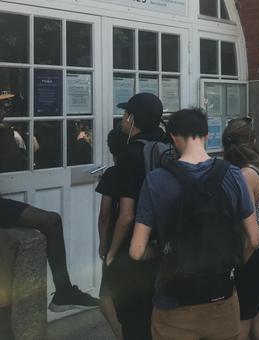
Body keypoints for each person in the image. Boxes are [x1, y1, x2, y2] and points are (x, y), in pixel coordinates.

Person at [130, 108, 259, 340]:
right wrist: (229, 266)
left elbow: (136, 251)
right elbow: (254, 239)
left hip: (174, 303)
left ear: (173, 137)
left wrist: (165, 250)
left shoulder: (156, 181)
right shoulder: (233, 175)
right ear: (207, 136)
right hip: (223, 299)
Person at [104, 92, 169, 339]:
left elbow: (126, 215)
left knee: (132, 319)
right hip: (161, 240)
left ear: (131, 118)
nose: (122, 119)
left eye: (124, 114)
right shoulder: (165, 146)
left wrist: (111, 252)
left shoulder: (131, 155)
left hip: (134, 245)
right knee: (154, 311)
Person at [222, 117, 259, 340]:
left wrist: (235, 269)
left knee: (241, 326)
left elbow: (250, 236)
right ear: (254, 141)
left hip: (252, 258)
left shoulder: (245, 175)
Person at [95, 126, 129, 340]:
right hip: (145, 242)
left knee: (106, 296)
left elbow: (105, 215)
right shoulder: (150, 168)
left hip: (119, 243)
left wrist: (103, 245)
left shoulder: (114, 173)